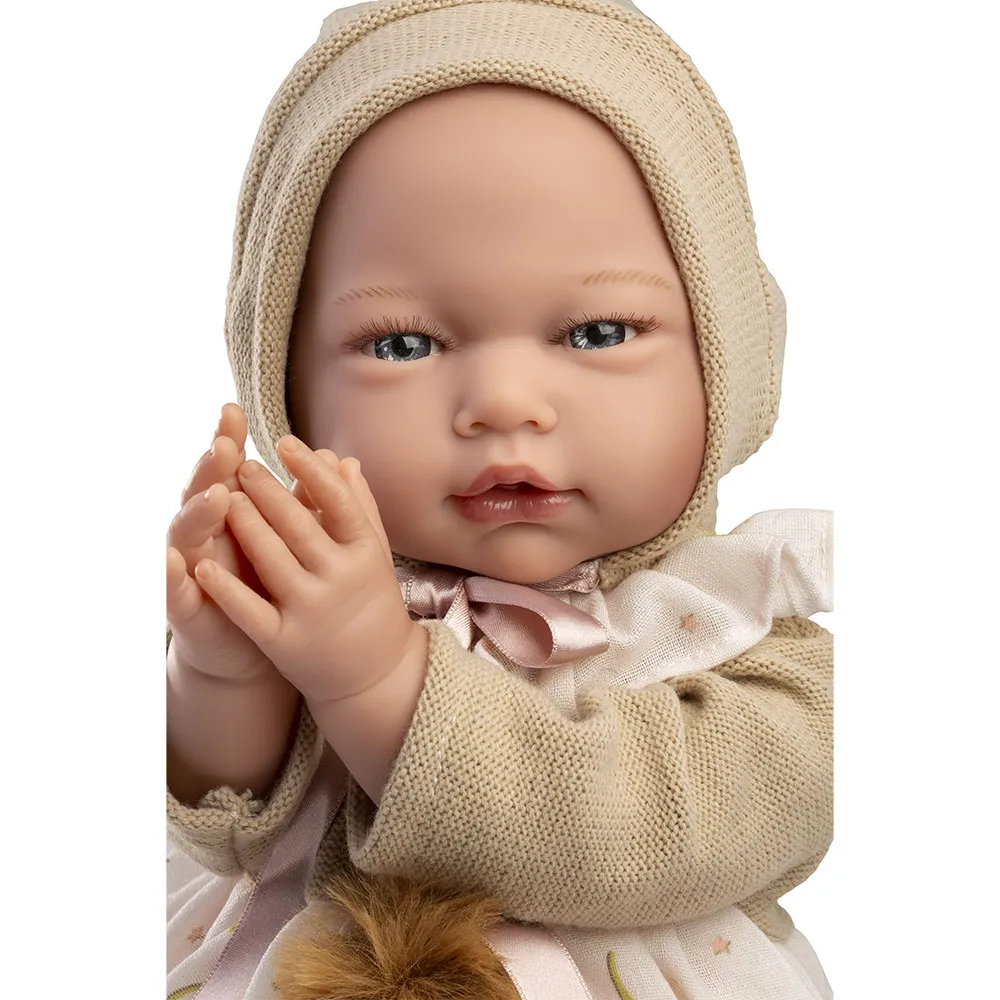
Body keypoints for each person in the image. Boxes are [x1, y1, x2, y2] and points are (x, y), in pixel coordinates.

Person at [166, 1, 834, 997]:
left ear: (726, 359)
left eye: (598, 333)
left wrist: (378, 685)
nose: (505, 402)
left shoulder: (747, 641)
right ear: (286, 387)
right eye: (402, 345)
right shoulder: (329, 598)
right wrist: (225, 672)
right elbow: (229, 835)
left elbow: (652, 834)